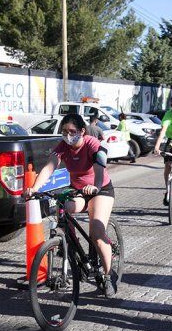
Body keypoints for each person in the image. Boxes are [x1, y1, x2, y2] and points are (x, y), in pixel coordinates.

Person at [25, 114, 118, 297]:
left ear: (82, 131)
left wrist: (96, 186)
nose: (68, 136)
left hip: (101, 190)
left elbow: (100, 165)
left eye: (72, 132)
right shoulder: (63, 147)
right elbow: (49, 168)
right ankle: (73, 249)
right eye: (64, 132)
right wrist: (34, 188)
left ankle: (108, 275)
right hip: (79, 190)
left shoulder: (91, 143)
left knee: (97, 234)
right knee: (63, 209)